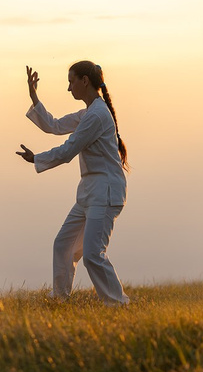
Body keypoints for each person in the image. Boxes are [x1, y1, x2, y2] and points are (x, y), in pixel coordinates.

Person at [15, 61, 132, 304]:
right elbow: (55, 126)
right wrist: (35, 98)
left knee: (92, 255)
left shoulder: (97, 115)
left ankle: (117, 304)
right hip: (90, 193)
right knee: (63, 245)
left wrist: (37, 158)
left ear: (85, 81)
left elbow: (69, 150)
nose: (69, 89)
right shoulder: (88, 113)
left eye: (71, 82)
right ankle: (59, 299)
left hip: (106, 193)